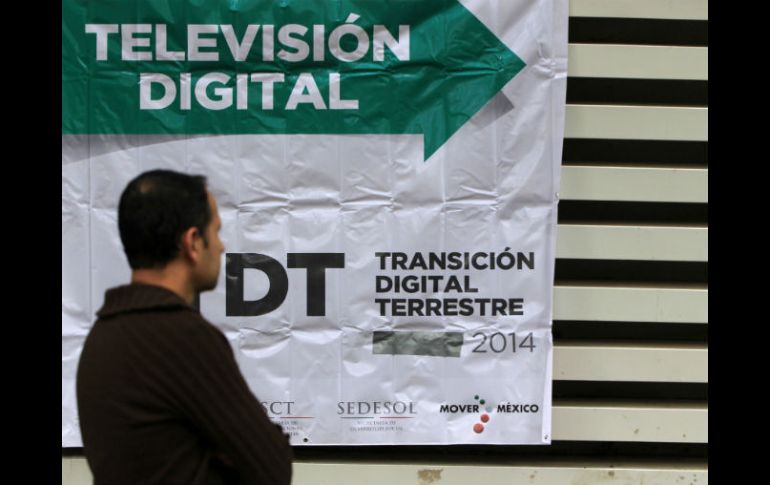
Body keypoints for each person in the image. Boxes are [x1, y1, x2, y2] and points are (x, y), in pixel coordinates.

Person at [76, 169, 293, 484]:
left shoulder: (102, 336)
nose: (221, 247)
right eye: (215, 232)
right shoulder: (183, 337)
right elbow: (272, 467)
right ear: (193, 242)